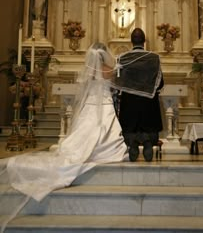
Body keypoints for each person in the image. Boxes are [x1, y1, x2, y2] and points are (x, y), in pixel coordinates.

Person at [0, 42, 128, 231]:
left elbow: (84, 87)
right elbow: (117, 84)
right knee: (103, 131)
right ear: (105, 55)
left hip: (90, 106)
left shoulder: (89, 69)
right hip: (105, 104)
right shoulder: (110, 69)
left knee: (83, 133)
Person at [112, 28, 164, 162]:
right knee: (149, 125)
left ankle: (133, 143)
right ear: (144, 40)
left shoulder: (122, 58)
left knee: (130, 127)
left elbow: (117, 82)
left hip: (129, 102)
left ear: (131, 41)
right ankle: (147, 142)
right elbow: (160, 83)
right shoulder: (154, 58)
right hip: (148, 102)